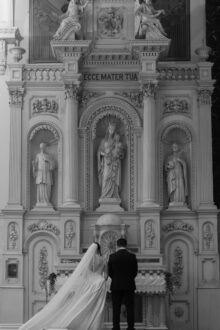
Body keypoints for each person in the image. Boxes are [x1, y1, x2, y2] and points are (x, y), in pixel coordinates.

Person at [18, 242, 107, 330]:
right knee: (94, 307)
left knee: (81, 305)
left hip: (88, 284)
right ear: (99, 249)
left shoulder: (88, 258)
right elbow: (106, 276)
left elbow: (83, 272)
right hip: (99, 283)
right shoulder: (103, 259)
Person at [108, 238, 138, 330]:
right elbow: (135, 271)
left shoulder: (112, 256)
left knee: (116, 308)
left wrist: (116, 279)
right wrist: (129, 279)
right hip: (129, 285)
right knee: (130, 308)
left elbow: (110, 272)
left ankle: (116, 327)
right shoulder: (132, 256)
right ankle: (130, 328)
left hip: (116, 285)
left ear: (117, 245)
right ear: (126, 245)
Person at [97, 123, 125, 199]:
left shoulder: (117, 141)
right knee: (106, 177)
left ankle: (114, 195)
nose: (112, 131)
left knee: (114, 179)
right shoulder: (104, 141)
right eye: (110, 129)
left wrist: (119, 154)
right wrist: (104, 154)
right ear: (108, 130)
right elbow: (99, 151)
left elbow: (121, 152)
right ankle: (104, 195)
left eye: (113, 129)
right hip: (106, 162)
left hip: (115, 163)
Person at [32, 142, 55, 206]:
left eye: (43, 147)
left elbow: (53, 166)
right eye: (41, 147)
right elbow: (35, 165)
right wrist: (34, 166)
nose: (42, 148)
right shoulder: (38, 155)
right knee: (41, 186)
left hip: (47, 174)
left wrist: (49, 161)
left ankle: (47, 200)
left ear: (45, 148)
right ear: (40, 148)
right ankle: (40, 201)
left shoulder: (48, 156)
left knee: (48, 187)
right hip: (40, 174)